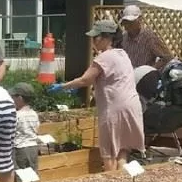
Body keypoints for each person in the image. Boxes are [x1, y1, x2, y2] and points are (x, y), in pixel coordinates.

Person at [56, 20, 144, 171]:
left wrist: (63, 86)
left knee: (109, 152)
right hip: (132, 106)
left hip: (114, 109)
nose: (93, 41)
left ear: (105, 38)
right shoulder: (122, 54)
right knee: (123, 148)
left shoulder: (103, 58)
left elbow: (86, 80)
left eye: (95, 37)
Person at [120, 5, 173, 69]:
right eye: (126, 22)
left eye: (131, 22)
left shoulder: (149, 37)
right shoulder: (123, 37)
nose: (128, 25)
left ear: (140, 19)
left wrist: (151, 70)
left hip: (144, 76)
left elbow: (166, 57)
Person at [9, 82, 40, 173]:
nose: (12, 99)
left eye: (13, 97)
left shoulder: (16, 115)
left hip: (20, 149)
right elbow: (37, 130)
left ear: (20, 98)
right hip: (33, 147)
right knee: (33, 173)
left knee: (21, 174)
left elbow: (11, 132)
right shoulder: (34, 114)